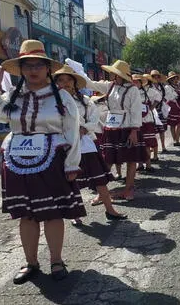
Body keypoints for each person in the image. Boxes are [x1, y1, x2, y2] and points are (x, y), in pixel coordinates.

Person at [0, 40, 85, 283]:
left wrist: (72, 163)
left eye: (39, 65)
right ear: (21, 69)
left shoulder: (61, 97)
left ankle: (56, 261)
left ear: (48, 68)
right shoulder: (12, 96)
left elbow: (72, 131)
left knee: (52, 212)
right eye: (28, 65)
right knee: (26, 214)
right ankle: (31, 263)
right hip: (16, 158)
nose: (33, 70)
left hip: (51, 159)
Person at [52, 65, 127, 223]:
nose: (65, 83)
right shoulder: (51, 102)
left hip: (86, 145)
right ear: (56, 83)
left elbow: (94, 119)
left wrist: (84, 129)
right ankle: (75, 214)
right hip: (64, 146)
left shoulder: (85, 101)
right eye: (60, 80)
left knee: (99, 180)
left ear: (74, 82)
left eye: (68, 80)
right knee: (71, 182)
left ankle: (110, 210)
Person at [86, 60, 147, 201]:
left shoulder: (133, 90)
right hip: (112, 128)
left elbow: (136, 112)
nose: (112, 75)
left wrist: (134, 131)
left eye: (114, 73)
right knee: (108, 159)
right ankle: (102, 192)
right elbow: (91, 83)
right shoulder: (110, 86)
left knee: (131, 160)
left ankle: (128, 190)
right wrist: (76, 71)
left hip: (128, 128)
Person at [165, 72, 180, 146]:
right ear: (170, 80)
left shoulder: (177, 86)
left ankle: (176, 139)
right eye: (174, 78)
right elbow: (170, 97)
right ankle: (175, 140)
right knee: (173, 124)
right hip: (173, 106)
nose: (176, 80)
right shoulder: (167, 87)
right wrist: (178, 89)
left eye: (176, 78)